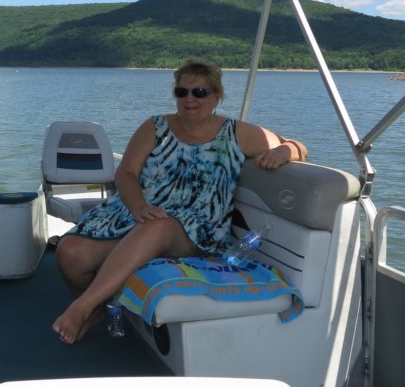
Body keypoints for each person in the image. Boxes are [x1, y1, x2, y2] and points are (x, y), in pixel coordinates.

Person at [52, 58, 308, 344]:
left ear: (216, 96)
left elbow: (297, 145)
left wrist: (284, 152)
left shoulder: (237, 133)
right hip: (139, 214)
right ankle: (98, 311)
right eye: (182, 92)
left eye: (200, 92)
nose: (190, 99)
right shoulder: (155, 127)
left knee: (158, 226)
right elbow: (126, 172)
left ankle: (82, 307)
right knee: (70, 252)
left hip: (197, 229)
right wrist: (138, 206)